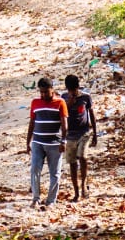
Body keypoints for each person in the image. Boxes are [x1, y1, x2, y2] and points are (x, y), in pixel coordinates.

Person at [26, 77, 68, 208]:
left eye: (46, 92)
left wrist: (63, 141)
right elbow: (32, 123)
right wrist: (28, 142)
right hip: (37, 142)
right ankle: (36, 198)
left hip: (54, 144)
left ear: (52, 90)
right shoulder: (35, 102)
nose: (43, 95)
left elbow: (64, 124)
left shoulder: (60, 103)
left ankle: (51, 201)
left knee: (54, 173)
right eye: (41, 92)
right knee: (35, 169)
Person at [61, 74, 98, 201]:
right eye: (70, 90)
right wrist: (69, 103)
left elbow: (91, 114)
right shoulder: (64, 97)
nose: (72, 92)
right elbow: (62, 115)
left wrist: (95, 133)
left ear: (77, 87)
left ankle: (83, 185)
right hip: (70, 134)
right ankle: (76, 191)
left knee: (83, 157)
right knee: (72, 163)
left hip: (84, 132)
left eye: (74, 90)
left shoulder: (86, 97)